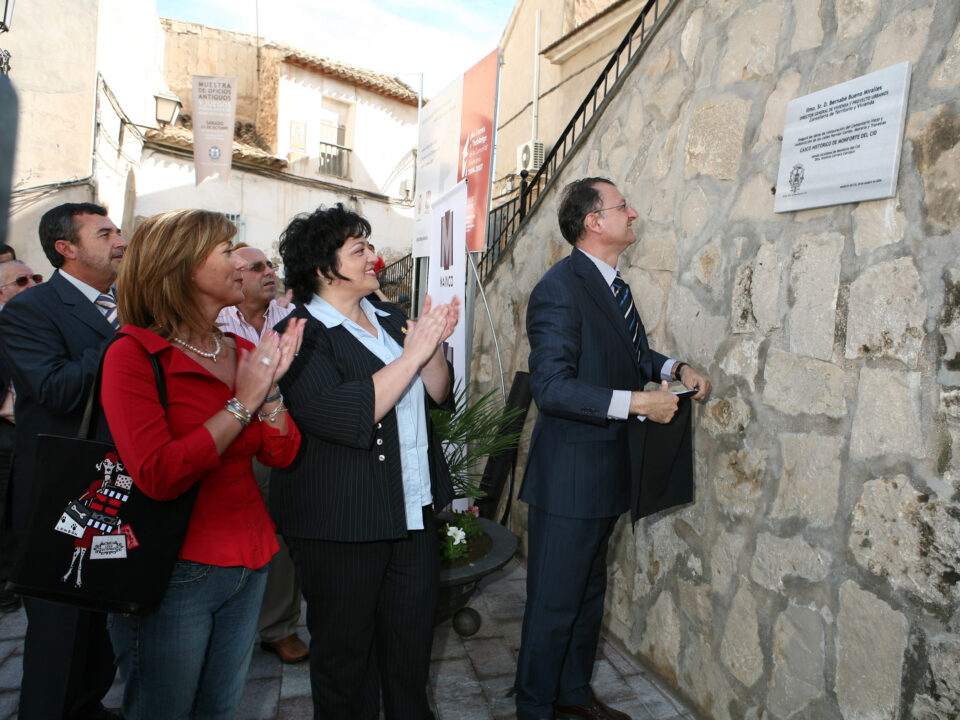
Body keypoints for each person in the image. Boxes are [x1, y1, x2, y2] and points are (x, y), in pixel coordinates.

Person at [515, 178, 711, 720]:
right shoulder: (559, 288)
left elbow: (631, 351)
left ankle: (573, 698)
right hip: (570, 479)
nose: (635, 212)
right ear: (593, 222)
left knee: (587, 596)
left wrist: (674, 368)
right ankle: (534, 709)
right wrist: (639, 405)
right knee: (554, 604)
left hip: (607, 474)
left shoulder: (614, 286)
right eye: (624, 205)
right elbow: (551, 387)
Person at [99, 209, 304, 720]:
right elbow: (159, 474)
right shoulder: (134, 354)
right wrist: (242, 403)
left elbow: (282, 452)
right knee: (162, 709)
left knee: (217, 708)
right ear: (182, 266)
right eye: (225, 250)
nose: (241, 262)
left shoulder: (240, 348)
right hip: (174, 568)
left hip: (250, 557)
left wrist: (271, 391)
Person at [271, 203, 459, 720]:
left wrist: (432, 345)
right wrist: (411, 355)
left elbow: (437, 393)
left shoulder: (391, 317)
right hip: (342, 522)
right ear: (322, 269)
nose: (374, 257)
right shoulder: (298, 333)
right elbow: (342, 414)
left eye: (370, 247)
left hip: (411, 513)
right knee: (345, 660)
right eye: (360, 250)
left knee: (409, 654)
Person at [0, 202, 125, 720]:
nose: (119, 240)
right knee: (59, 630)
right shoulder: (30, 310)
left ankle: (88, 706)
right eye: (104, 233)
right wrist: (125, 336)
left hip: (117, 486)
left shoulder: (127, 303)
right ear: (66, 249)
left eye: (118, 230)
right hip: (60, 493)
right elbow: (54, 389)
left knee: (101, 621)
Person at [216, 244, 309, 664]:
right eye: (257, 267)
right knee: (227, 534)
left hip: (282, 438)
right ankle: (219, 626)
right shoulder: (215, 321)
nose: (268, 272)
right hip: (229, 444)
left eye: (270, 264)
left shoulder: (291, 318)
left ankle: (278, 627)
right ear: (234, 275)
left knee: (282, 534)